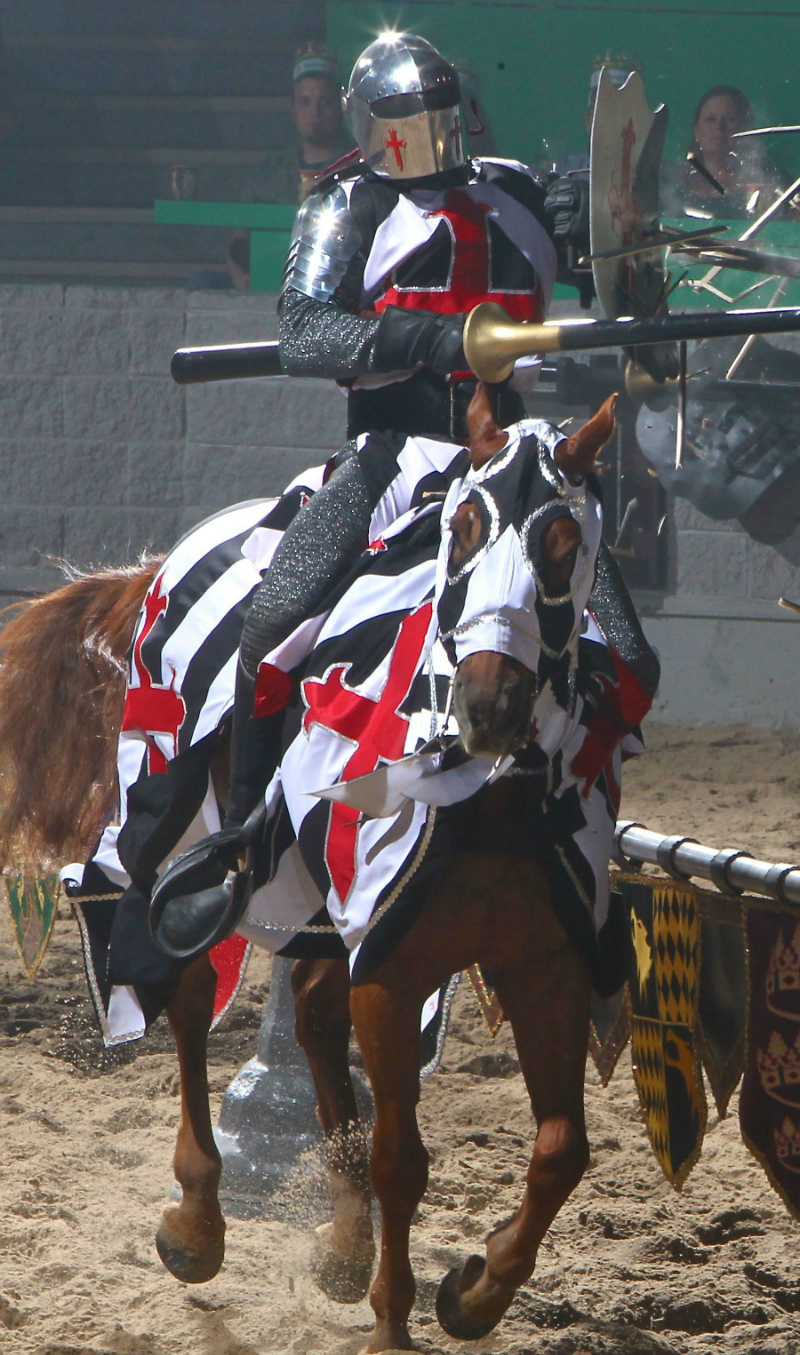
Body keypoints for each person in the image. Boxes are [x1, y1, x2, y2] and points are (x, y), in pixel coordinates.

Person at [164, 31, 657, 945]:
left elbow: (613, 262)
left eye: (444, 115)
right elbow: (307, 330)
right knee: (275, 625)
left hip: (517, 463)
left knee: (629, 660)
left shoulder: (513, 190)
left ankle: (580, 834)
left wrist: (604, 217)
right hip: (392, 452)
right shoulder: (345, 203)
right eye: (413, 120)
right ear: (376, 125)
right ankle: (245, 843)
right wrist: (419, 343)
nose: (433, 133)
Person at [226, 45, 353, 291]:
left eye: (324, 102)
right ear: (293, 108)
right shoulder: (267, 173)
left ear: (340, 106)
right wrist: (242, 279)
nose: (314, 112)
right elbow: (238, 240)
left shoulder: (358, 167)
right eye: (305, 102)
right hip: (267, 282)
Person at [663, 85, 787, 220]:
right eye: (710, 119)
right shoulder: (670, 182)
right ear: (696, 131)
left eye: (730, 119)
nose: (719, 126)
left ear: (744, 128)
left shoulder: (772, 184)